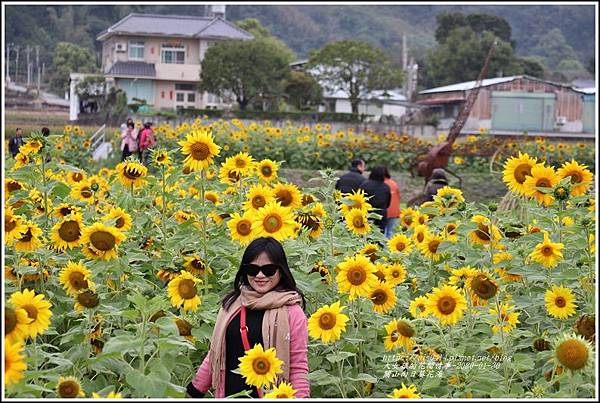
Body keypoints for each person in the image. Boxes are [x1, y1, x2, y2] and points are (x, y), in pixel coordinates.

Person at [186, 237, 310, 398]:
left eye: (269, 270)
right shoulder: (232, 306)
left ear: (281, 271)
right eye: (252, 269)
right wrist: (193, 391)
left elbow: (298, 367)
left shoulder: (292, 313)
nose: (260, 275)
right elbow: (216, 355)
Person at [359, 166, 391, 233]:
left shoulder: (364, 185)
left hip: (367, 214)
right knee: (379, 236)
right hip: (381, 215)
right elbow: (388, 203)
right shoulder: (386, 187)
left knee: (365, 235)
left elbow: (359, 200)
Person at [383, 167, 401, 239]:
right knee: (390, 232)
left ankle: (383, 249)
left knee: (382, 232)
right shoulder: (393, 183)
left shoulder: (380, 184)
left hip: (384, 212)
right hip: (394, 212)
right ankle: (389, 249)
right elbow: (398, 197)